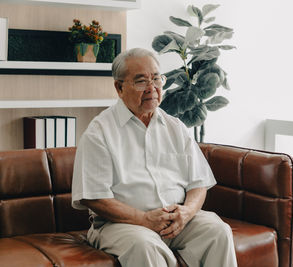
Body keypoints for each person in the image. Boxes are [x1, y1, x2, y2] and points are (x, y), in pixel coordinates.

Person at [71, 48, 237, 267]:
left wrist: (186, 213)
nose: (152, 88)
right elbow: (94, 197)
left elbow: (199, 183)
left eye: (157, 78)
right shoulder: (99, 132)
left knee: (218, 231)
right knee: (145, 246)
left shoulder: (175, 127)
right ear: (119, 88)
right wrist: (144, 219)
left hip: (176, 220)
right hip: (122, 225)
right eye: (141, 81)